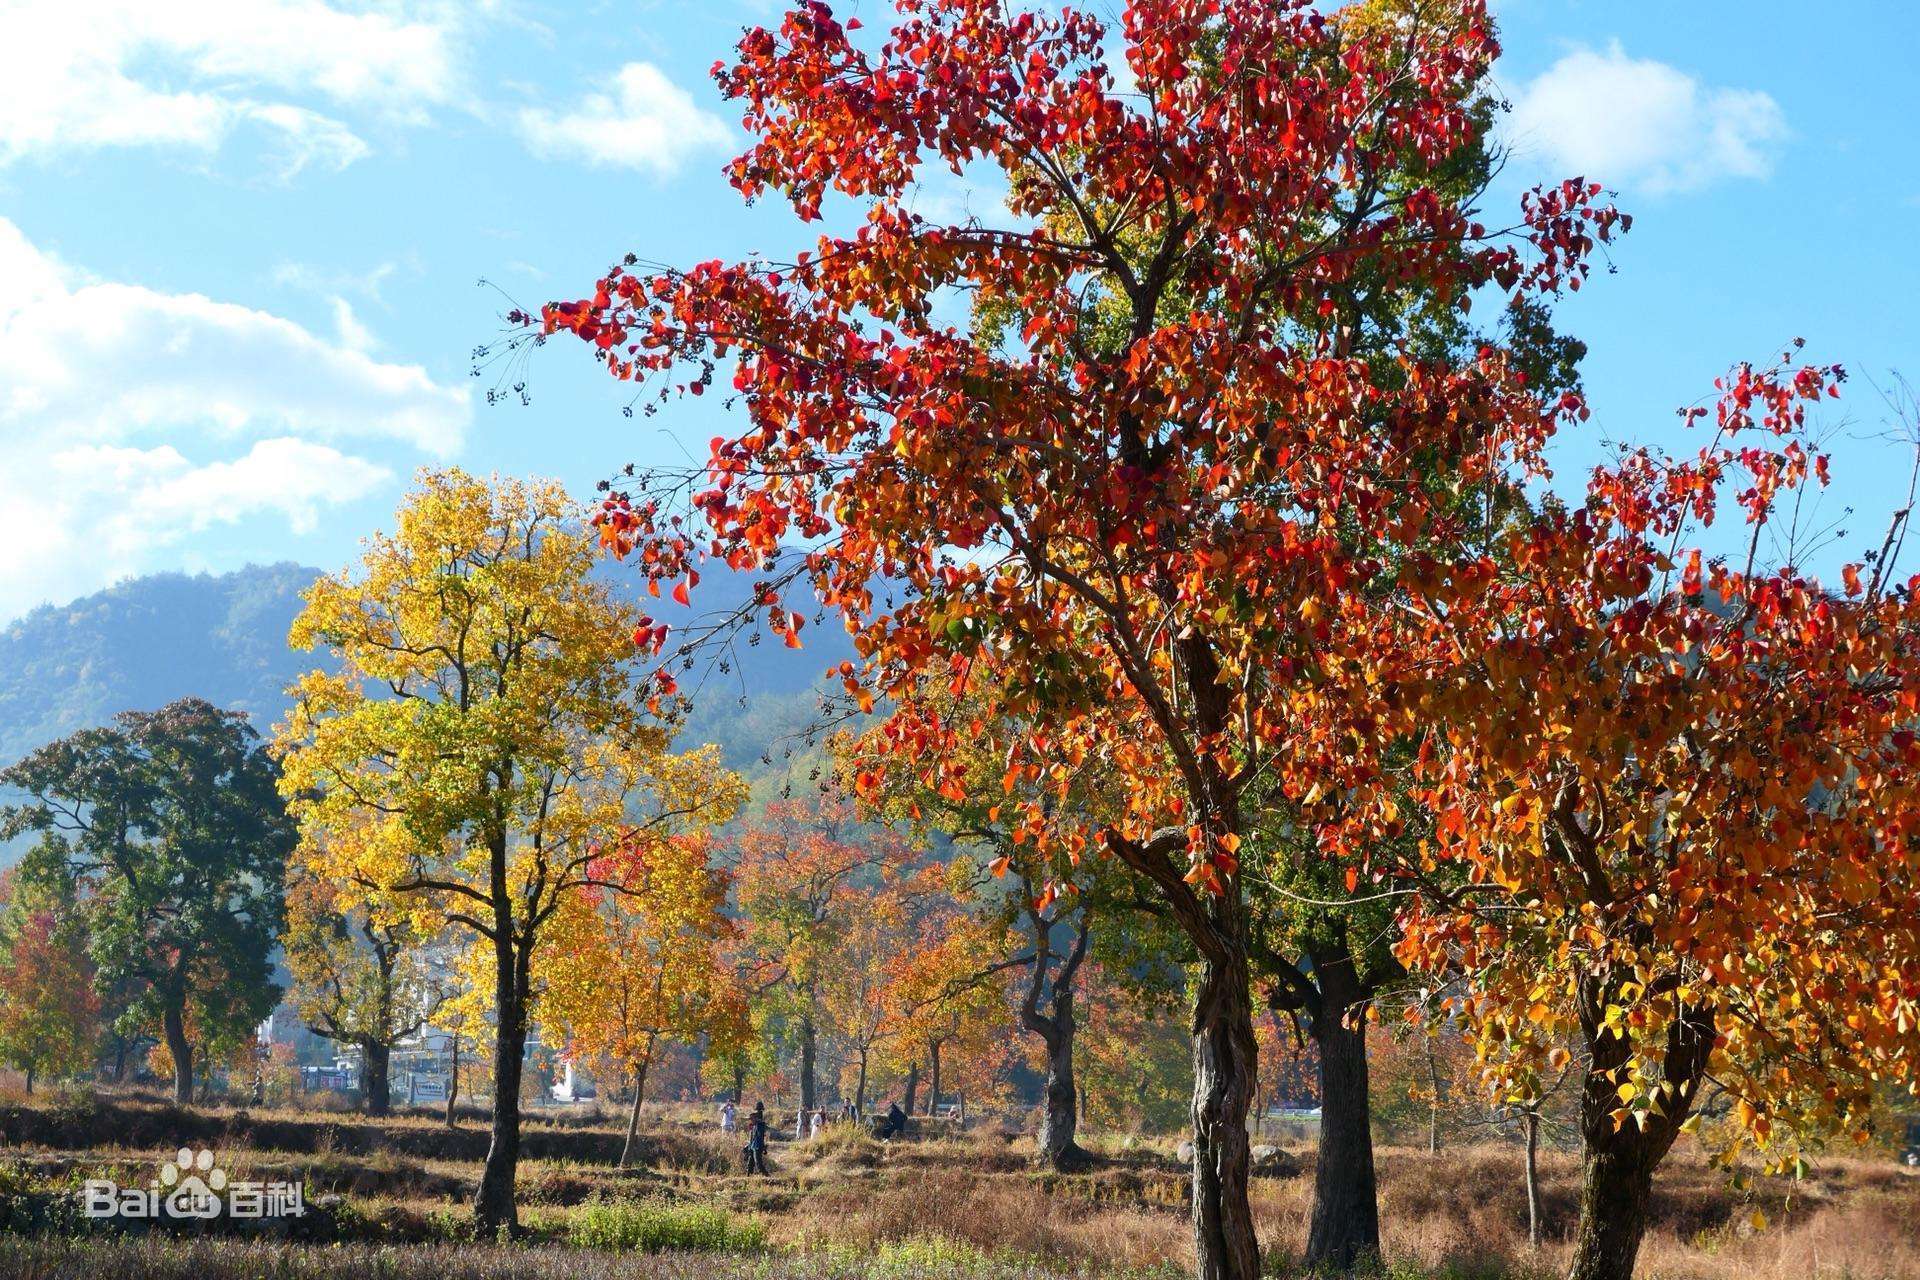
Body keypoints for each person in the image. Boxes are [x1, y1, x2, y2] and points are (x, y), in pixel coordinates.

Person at [744, 1100, 769, 1175]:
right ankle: (748, 1176)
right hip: (753, 1145)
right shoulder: (754, 1125)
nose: (750, 1121)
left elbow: (760, 1137)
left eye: (751, 1119)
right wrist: (748, 1146)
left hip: (757, 1146)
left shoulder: (759, 1124)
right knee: (750, 1163)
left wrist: (763, 1147)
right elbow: (752, 1137)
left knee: (758, 1163)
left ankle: (766, 1176)